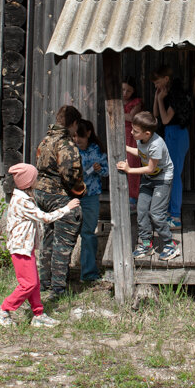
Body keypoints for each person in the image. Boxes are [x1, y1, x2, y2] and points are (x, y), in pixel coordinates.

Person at [0, 163, 79, 328]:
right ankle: (3, 309)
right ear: (28, 182)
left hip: (25, 247)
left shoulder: (24, 197)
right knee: (28, 284)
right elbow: (45, 218)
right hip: (20, 248)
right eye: (35, 177)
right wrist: (67, 208)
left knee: (34, 283)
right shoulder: (23, 201)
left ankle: (38, 314)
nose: (37, 180)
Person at [33, 104, 86, 299]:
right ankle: (58, 289)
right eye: (75, 126)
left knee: (48, 239)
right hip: (60, 196)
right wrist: (81, 190)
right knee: (62, 243)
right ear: (73, 123)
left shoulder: (45, 140)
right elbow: (70, 176)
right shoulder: (66, 145)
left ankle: (44, 282)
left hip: (41, 194)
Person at [116, 110, 180, 262]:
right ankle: (146, 244)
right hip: (148, 178)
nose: (131, 133)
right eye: (132, 129)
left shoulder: (157, 144)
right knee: (142, 210)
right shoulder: (142, 140)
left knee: (156, 214)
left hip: (162, 180)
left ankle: (170, 244)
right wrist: (124, 147)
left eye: (135, 131)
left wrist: (129, 170)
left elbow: (151, 168)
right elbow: (141, 152)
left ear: (147, 133)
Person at [150, 66, 192, 229]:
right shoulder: (165, 94)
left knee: (173, 175)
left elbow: (166, 119)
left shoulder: (176, 94)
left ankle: (175, 217)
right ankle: (170, 213)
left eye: (157, 82)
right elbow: (155, 115)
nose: (156, 86)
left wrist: (161, 100)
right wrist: (157, 97)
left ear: (166, 79)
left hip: (177, 134)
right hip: (170, 134)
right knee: (169, 174)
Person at [72, 118, 108, 282]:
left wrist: (100, 169)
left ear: (88, 134)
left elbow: (107, 171)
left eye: (80, 136)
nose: (77, 140)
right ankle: (60, 273)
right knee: (68, 234)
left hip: (91, 196)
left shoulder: (96, 150)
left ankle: (88, 274)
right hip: (72, 196)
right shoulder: (71, 151)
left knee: (88, 234)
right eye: (74, 136)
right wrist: (88, 170)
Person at [122, 79, 144, 209]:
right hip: (119, 136)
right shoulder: (118, 102)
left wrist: (116, 112)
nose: (125, 93)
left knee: (132, 164)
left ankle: (133, 197)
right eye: (123, 89)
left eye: (128, 90)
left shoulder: (137, 103)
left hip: (131, 136)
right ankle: (122, 194)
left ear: (133, 91)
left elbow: (131, 118)